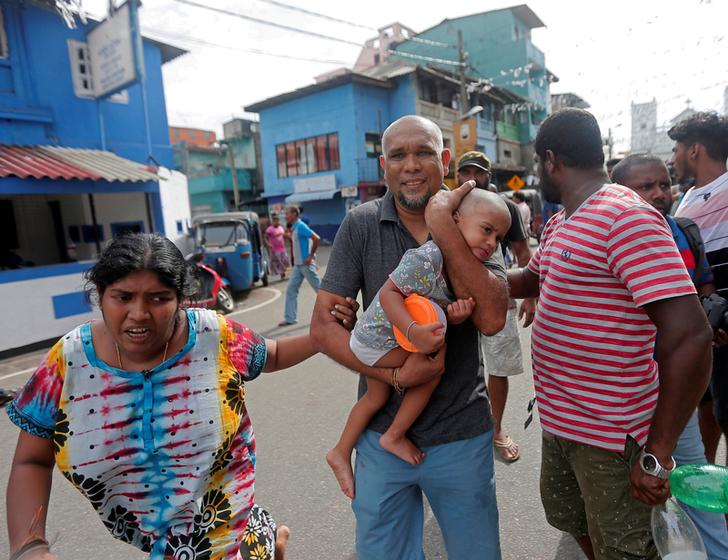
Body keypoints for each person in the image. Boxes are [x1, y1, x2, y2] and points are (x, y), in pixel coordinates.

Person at [5, 233, 311, 560]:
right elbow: (31, 460)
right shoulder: (66, 363)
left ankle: (261, 540)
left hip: (225, 518)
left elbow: (272, 355)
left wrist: (321, 338)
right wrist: (29, 545)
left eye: (158, 298)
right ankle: (269, 541)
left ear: (181, 300)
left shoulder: (214, 335)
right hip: (156, 540)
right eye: (122, 297)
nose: (139, 313)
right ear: (100, 296)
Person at [507, 108, 712, 560]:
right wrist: (462, 274)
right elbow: (529, 280)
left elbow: (691, 337)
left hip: (613, 437)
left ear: (550, 161)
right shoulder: (564, 222)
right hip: (563, 425)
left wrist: (656, 454)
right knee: (574, 521)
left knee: (628, 549)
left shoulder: (624, 217)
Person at [311, 115, 509, 560]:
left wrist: (443, 224)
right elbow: (323, 327)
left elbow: (494, 318)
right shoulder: (361, 224)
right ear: (384, 167)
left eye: (423, 153)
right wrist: (398, 375)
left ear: (444, 160)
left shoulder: (473, 219)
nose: (411, 165)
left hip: (461, 434)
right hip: (381, 439)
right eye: (398, 156)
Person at [326, 189, 511, 498]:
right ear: (455, 221)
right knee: (433, 365)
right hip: (379, 339)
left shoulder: (462, 264)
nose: (492, 243)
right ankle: (394, 435)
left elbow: (429, 307)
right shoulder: (430, 256)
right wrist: (413, 332)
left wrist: (454, 317)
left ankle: (340, 450)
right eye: (486, 230)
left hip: (387, 336)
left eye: (499, 238)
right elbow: (388, 294)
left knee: (374, 399)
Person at [612, 154, 728, 559]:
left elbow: (705, 287)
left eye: (664, 185)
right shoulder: (609, 236)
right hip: (627, 394)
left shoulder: (684, 231)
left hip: (676, 387)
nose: (659, 194)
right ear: (618, 193)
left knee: (692, 487)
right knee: (632, 499)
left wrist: (712, 317)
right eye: (646, 187)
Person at [456, 150, 536, 462]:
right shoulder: (449, 204)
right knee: (453, 366)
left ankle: (496, 429)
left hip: (497, 295)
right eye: (466, 172)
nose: (472, 178)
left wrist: (529, 296)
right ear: (458, 174)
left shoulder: (507, 208)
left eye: (479, 172)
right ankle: (458, 431)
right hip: (456, 296)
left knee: (498, 367)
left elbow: (521, 252)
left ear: (490, 176)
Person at [671, 112, 728, 467]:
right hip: (702, 331)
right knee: (707, 411)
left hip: (724, 330)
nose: (673, 157)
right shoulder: (686, 199)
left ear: (694, 150)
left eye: (676, 148)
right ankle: (707, 492)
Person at [278, 206, 321, 326]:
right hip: (298, 266)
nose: (285, 216)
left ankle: (335, 313)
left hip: (305, 264)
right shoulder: (295, 227)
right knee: (291, 290)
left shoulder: (301, 226)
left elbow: (316, 238)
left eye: (287, 213)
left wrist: (311, 256)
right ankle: (290, 318)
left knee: (321, 290)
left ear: (294, 214)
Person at [265, 213, 289, 281]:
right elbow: (265, 238)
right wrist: (268, 244)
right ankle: (282, 273)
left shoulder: (281, 227)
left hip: (282, 248)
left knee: (285, 260)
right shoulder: (269, 229)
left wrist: (287, 236)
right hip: (275, 249)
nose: (277, 222)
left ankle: (282, 271)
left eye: (278, 221)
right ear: (273, 221)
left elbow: (283, 235)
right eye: (275, 221)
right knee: (278, 262)